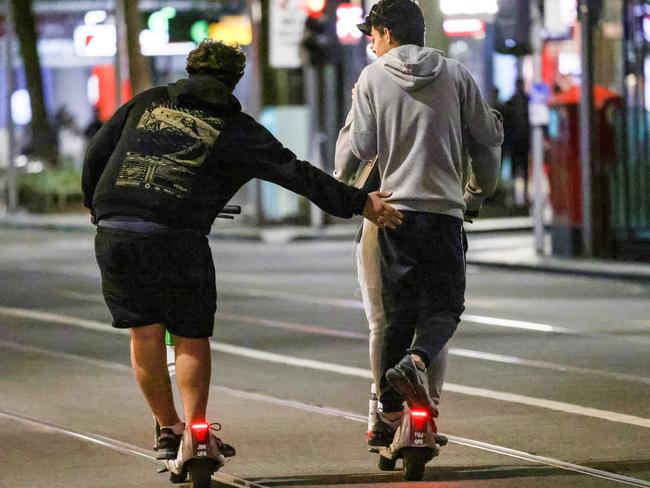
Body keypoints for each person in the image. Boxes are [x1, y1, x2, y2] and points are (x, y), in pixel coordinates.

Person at [82, 39, 403, 461]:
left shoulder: (147, 102)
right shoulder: (235, 127)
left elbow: (97, 154)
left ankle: (168, 429)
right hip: (176, 236)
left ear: (190, 69)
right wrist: (360, 202)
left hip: (116, 229)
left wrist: (97, 207)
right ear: (234, 81)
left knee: (144, 331)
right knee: (191, 334)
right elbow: (296, 173)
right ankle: (197, 434)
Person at [342, 0, 502, 447]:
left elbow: (362, 143)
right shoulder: (457, 74)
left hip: (394, 215)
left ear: (388, 31)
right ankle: (421, 377)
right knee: (444, 308)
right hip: (445, 213)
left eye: (372, 34)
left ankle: (388, 412)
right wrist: (476, 191)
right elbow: (487, 138)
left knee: (395, 316)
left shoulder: (371, 77)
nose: (370, 43)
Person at [502, 78, 530, 205]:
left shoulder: (524, 102)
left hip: (521, 141)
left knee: (522, 169)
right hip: (517, 141)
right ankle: (516, 195)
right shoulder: (517, 102)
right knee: (518, 169)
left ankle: (520, 195)